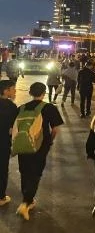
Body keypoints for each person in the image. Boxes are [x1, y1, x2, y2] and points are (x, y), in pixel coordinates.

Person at [15, 82, 64, 220]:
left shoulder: (21, 108)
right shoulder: (49, 108)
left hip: (23, 144)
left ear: (30, 93)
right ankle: (26, 202)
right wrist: (49, 141)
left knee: (24, 172)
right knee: (35, 173)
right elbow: (54, 129)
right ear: (44, 93)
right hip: (40, 146)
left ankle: (27, 199)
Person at [0, 80, 18, 206]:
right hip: (3, 143)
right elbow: (14, 128)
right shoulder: (11, 107)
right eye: (13, 89)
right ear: (6, 91)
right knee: (2, 169)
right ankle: (1, 197)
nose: (15, 91)